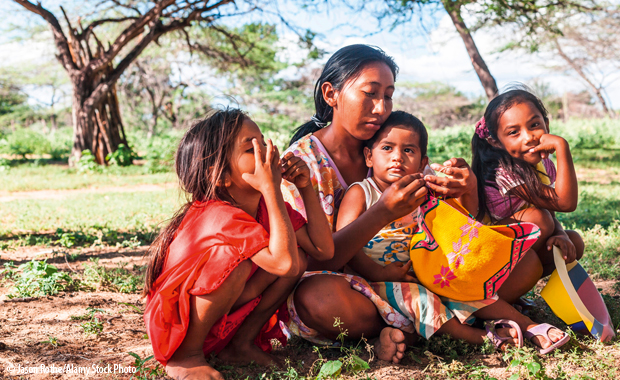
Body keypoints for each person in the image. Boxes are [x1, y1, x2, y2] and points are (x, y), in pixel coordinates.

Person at [280, 45, 562, 363]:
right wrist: (382, 212)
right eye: (370, 94)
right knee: (318, 300)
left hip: (419, 275)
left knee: (525, 263)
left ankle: (414, 327)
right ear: (331, 94)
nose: (380, 108)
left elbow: (458, 222)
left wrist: (465, 187)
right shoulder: (302, 163)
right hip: (351, 289)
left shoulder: (394, 141)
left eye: (388, 95)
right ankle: (438, 323)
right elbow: (309, 263)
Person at [336, 110, 569, 353]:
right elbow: (348, 247)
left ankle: (530, 327)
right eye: (387, 148)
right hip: (378, 281)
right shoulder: (361, 193)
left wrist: (467, 189)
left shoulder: (425, 191)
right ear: (368, 156)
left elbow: (462, 223)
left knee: (464, 287)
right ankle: (484, 338)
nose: (397, 157)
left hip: (427, 274)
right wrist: (379, 272)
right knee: (420, 299)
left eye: (408, 150)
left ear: (423, 163)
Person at [143, 109, 334, 380]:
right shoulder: (219, 215)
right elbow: (284, 264)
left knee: (299, 257)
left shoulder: (266, 209)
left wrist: (304, 187)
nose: (266, 152)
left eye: (263, 141)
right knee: (231, 260)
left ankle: (239, 345)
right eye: (250, 149)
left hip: (222, 322)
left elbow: (322, 250)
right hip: (176, 330)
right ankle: (186, 357)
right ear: (220, 177)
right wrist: (271, 189)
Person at [471, 88, 585, 305]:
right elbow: (565, 202)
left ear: (546, 124)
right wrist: (562, 147)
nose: (529, 137)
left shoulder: (541, 165)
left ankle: (511, 292)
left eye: (534, 125)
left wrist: (560, 232)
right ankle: (489, 303)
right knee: (538, 221)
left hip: (510, 250)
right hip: (483, 255)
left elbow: (551, 207)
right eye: (514, 132)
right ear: (496, 141)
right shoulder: (502, 171)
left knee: (572, 243)